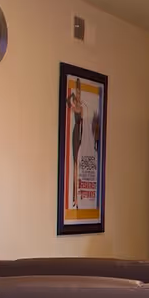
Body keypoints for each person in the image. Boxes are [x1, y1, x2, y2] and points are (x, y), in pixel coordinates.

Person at [67, 79, 84, 208]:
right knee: (75, 162)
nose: (78, 97)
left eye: (78, 94)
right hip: (75, 133)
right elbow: (68, 102)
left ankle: (76, 199)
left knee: (77, 163)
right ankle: (74, 198)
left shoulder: (80, 108)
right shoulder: (76, 107)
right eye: (76, 94)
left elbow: (82, 122)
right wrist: (71, 96)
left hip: (79, 134)